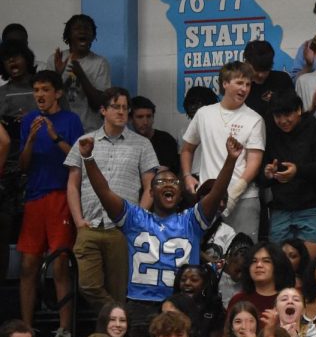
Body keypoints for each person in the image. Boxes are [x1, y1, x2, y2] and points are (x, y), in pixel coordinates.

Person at [79, 132, 233, 323]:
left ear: (180, 193)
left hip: (181, 303)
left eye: (174, 182)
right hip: (139, 303)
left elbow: (217, 192)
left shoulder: (191, 221)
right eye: (161, 182)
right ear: (151, 192)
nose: (168, 184)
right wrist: (88, 158)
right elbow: (104, 191)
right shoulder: (134, 218)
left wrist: (231, 159)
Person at [64, 87, 159, 311]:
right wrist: (78, 220)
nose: (122, 112)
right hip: (89, 224)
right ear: (103, 110)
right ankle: (118, 318)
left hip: (122, 228)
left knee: (119, 291)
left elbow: (150, 187)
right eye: (116, 107)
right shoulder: (84, 141)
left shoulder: (142, 144)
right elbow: (72, 184)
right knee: (87, 285)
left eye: (125, 108)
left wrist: (138, 220)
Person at [17, 70, 83, 337]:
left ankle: (64, 330)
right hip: (34, 198)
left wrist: (55, 136)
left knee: (59, 265)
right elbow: (22, 165)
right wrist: (31, 139)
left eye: (45, 89)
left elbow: (78, 158)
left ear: (57, 93)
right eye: (36, 90)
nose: (40, 95)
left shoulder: (70, 120)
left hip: (61, 196)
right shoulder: (30, 120)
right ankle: (25, 329)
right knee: (28, 265)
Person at [180, 61, 265, 237]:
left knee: (242, 256)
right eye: (239, 83)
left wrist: (233, 195)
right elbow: (187, 149)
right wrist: (187, 176)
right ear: (225, 83)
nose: (244, 88)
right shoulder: (204, 114)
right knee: (206, 255)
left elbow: (254, 163)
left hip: (243, 200)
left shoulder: (254, 119)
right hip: (207, 199)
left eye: (248, 84)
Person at [264, 89, 316, 258]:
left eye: (287, 114)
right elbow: (262, 173)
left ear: (298, 110)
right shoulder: (270, 133)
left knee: (311, 266)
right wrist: (267, 173)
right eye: (278, 116)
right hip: (281, 208)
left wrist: (298, 171)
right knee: (277, 265)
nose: (283, 121)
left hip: (314, 207)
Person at [55, 14, 109, 130]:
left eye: (87, 28)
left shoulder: (100, 63)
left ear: (93, 35)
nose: (82, 31)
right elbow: (48, 98)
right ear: (68, 35)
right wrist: (57, 75)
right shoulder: (57, 59)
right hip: (60, 130)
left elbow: (98, 104)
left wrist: (80, 74)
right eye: (77, 28)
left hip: (89, 130)